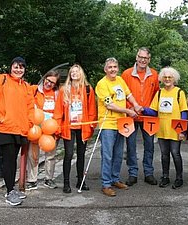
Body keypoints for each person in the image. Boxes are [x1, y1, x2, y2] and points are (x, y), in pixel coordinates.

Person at [0, 57, 34, 206]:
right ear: (11, 67)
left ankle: (11, 189)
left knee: (12, 159)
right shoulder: (1, 79)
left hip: (19, 129)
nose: (18, 69)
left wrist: (29, 124)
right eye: (16, 66)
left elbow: (30, 108)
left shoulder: (26, 86)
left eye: (21, 67)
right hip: (3, 128)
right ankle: (9, 192)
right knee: (8, 159)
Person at [95, 57, 142, 197]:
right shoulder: (102, 84)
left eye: (115, 67)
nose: (113, 69)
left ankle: (115, 179)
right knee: (107, 155)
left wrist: (136, 105)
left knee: (118, 154)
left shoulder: (120, 80)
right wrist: (128, 111)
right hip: (108, 123)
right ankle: (106, 184)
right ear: (105, 69)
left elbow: (129, 95)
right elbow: (109, 104)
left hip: (121, 123)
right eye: (110, 67)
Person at [53, 64, 97, 193]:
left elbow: (92, 109)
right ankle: (66, 183)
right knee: (69, 154)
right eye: (72, 72)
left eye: (76, 71)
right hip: (68, 127)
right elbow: (58, 110)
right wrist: (57, 126)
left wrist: (91, 126)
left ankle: (80, 181)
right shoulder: (64, 89)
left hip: (83, 127)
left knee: (81, 154)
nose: (74, 73)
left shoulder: (88, 89)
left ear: (81, 73)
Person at [142, 67, 188, 189]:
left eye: (170, 77)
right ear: (162, 79)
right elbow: (153, 111)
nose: (167, 79)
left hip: (175, 129)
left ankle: (179, 178)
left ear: (174, 79)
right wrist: (142, 109)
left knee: (175, 153)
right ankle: (165, 176)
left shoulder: (179, 93)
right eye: (165, 77)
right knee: (164, 155)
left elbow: (184, 112)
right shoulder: (159, 93)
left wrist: (182, 130)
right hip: (162, 129)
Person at [121, 47, 160, 186]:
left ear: (149, 59)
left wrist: (152, 110)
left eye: (146, 58)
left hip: (148, 117)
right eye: (140, 57)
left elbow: (157, 95)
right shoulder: (126, 74)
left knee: (149, 145)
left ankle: (148, 172)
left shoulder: (155, 74)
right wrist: (128, 108)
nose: (143, 60)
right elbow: (122, 94)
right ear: (136, 57)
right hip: (131, 116)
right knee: (131, 145)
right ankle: (133, 173)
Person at [26, 70, 61, 190]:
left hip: (51, 128)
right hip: (36, 127)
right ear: (44, 78)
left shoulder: (57, 93)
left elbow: (60, 111)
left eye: (52, 82)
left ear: (55, 84)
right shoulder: (34, 89)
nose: (49, 83)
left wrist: (57, 127)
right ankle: (32, 180)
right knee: (33, 155)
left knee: (50, 155)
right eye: (48, 80)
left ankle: (48, 179)